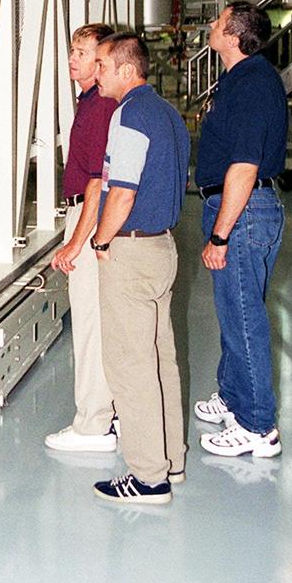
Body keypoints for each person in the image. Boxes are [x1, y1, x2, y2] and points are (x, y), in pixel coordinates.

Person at [89, 33, 190, 506]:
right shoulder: (168, 114)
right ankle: (171, 459)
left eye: (105, 65)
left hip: (131, 253)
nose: (98, 72)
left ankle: (148, 477)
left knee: (130, 365)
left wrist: (101, 239)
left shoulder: (128, 115)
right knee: (160, 358)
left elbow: (122, 191)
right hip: (164, 249)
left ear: (128, 71)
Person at [194, 1, 287, 459]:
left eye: (217, 22)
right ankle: (234, 396)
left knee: (244, 317)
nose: (211, 26)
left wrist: (221, 235)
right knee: (235, 311)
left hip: (243, 212)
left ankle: (257, 426)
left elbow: (245, 165)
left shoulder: (252, 83)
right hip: (240, 210)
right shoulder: (241, 79)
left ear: (232, 37)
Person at [46, 24, 118, 452]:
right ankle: (112, 415)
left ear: (101, 60)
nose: (72, 58)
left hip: (88, 219)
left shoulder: (100, 110)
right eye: (71, 50)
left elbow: (97, 182)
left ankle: (93, 425)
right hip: (89, 216)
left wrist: (76, 241)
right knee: (100, 324)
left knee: (90, 326)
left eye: (81, 52)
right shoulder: (90, 103)